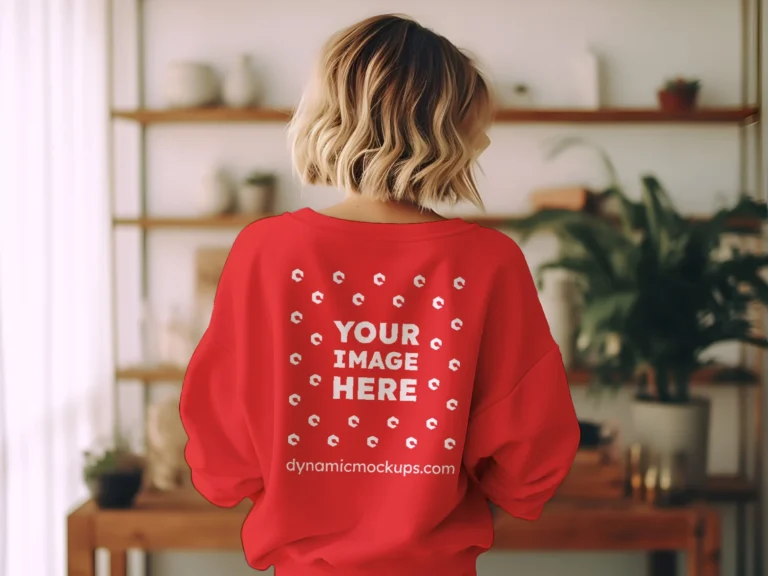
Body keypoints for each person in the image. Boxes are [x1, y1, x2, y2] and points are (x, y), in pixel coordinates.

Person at [179, 13, 580, 576]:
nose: (485, 138)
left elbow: (222, 453)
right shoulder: (490, 262)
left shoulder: (264, 252)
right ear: (447, 131)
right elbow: (531, 457)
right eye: (477, 123)